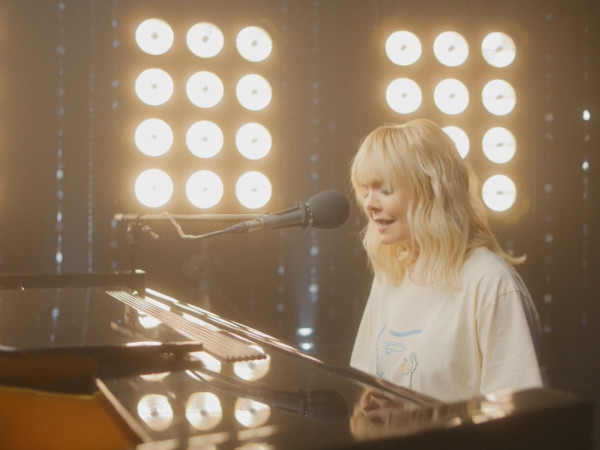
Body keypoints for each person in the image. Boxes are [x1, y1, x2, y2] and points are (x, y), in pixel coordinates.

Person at [349, 118, 543, 403]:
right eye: (366, 190)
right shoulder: (390, 275)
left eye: (385, 190)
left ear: (432, 190)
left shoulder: (490, 282)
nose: (369, 204)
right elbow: (363, 385)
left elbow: (515, 412)